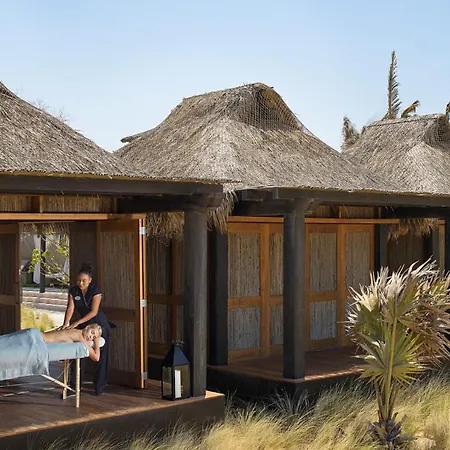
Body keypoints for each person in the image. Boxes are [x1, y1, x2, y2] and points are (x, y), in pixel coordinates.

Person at [61, 263, 110, 396]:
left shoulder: (95, 291)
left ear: (90, 280)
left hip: (99, 325)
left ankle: (99, 388)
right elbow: (70, 308)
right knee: (78, 353)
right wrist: (65, 324)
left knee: (100, 357)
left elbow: (94, 312)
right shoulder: (73, 291)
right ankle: (73, 387)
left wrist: (77, 322)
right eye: (79, 280)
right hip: (85, 325)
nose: (81, 283)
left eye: (84, 281)